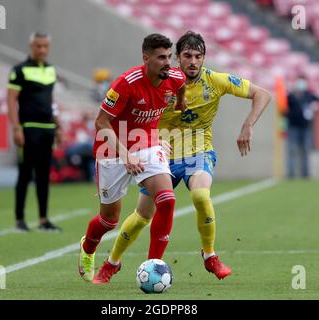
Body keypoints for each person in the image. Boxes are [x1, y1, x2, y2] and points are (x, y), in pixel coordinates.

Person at [94, 31, 271, 284]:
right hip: (161, 155)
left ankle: (210, 256)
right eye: (187, 55)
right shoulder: (163, 81)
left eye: (198, 56)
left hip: (199, 151)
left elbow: (262, 94)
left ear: (204, 58)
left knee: (200, 195)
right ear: (177, 58)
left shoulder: (216, 81)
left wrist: (248, 125)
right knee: (141, 217)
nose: (193, 62)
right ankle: (112, 263)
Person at [77, 33, 186, 283]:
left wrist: (181, 101)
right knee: (108, 220)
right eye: (161, 58)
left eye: (169, 57)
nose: (167, 62)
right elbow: (101, 123)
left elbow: (181, 88)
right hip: (113, 149)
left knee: (167, 200)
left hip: (147, 143)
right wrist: (125, 155)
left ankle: (154, 266)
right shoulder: (125, 83)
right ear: (145, 58)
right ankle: (88, 248)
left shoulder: (175, 77)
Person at [7, 32, 63, 232]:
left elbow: (50, 100)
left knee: (43, 175)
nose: (42, 49)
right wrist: (16, 127)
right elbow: (11, 100)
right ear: (31, 46)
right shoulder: (19, 70)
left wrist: (58, 125)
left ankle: (43, 220)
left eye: (45, 46)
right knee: (24, 174)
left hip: (47, 129)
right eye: (38, 46)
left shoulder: (50, 70)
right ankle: (20, 219)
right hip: (28, 128)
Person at [285, 76, 319, 178]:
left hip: (306, 127)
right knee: (292, 151)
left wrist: (316, 106)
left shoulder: (309, 95)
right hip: (293, 127)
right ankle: (291, 175)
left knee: (306, 151)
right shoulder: (291, 95)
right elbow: (284, 106)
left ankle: (305, 175)